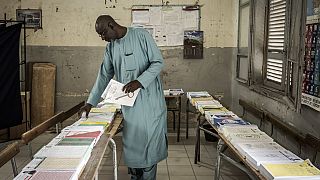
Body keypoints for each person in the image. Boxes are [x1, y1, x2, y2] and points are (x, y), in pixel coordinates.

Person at [79, 15, 168, 180]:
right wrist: (90, 102)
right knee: (133, 149)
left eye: (104, 33)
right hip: (130, 107)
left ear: (112, 25)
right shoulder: (111, 48)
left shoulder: (141, 36)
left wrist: (139, 82)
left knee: (149, 148)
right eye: (100, 35)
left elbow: (157, 62)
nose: (103, 38)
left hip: (150, 104)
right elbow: (104, 75)